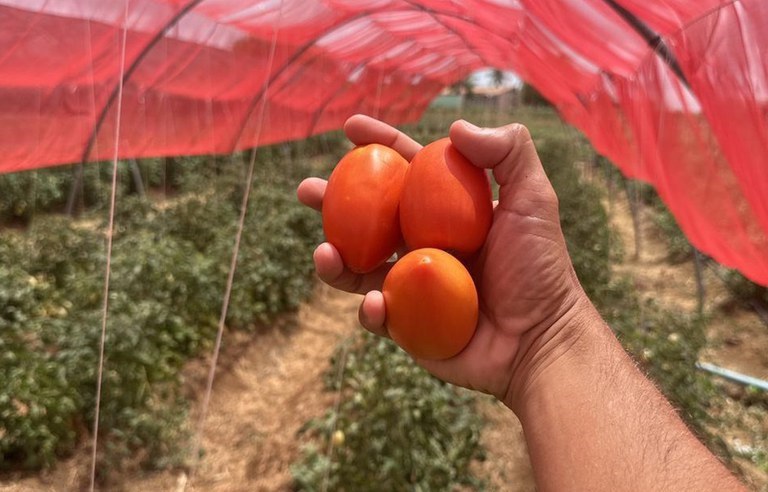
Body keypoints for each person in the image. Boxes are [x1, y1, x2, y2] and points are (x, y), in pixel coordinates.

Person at [296, 115, 745, 491]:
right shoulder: (428, 254)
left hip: (444, 294)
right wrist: (545, 344)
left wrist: (545, 336)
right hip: (441, 295)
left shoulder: (432, 250)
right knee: (373, 265)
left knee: (372, 266)